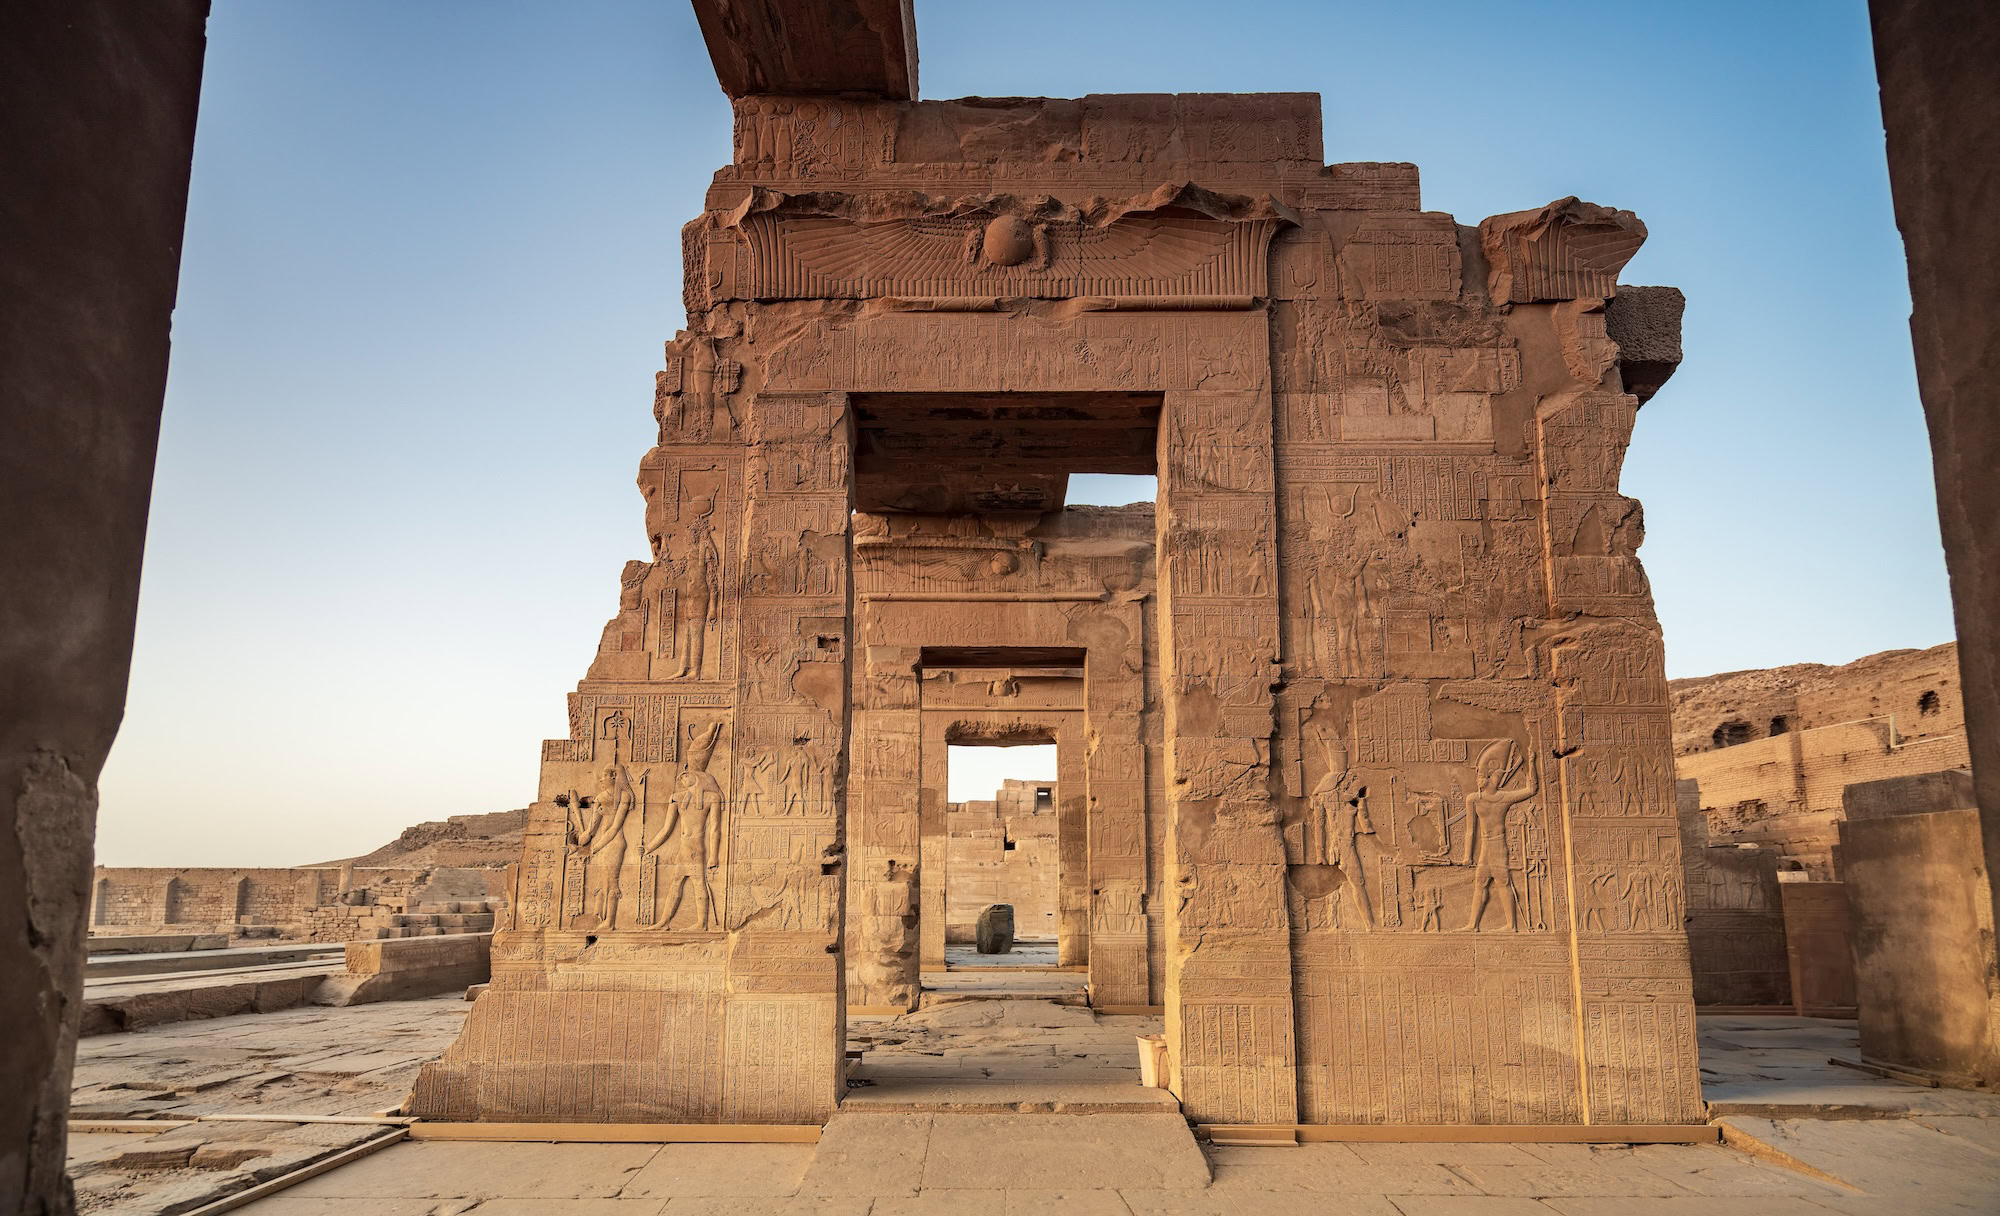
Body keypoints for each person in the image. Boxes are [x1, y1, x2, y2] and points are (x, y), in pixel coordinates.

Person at [1461, 739, 1537, 932]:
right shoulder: (1473, 799)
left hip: (1498, 845)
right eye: (1486, 776)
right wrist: (1467, 855)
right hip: (1486, 846)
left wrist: (1533, 763)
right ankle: (1473, 924)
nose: (1487, 779)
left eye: (1494, 776)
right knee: (1480, 883)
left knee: (1503, 882)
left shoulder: (1505, 798)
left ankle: (1511, 925)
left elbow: (1531, 790)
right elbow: (1471, 830)